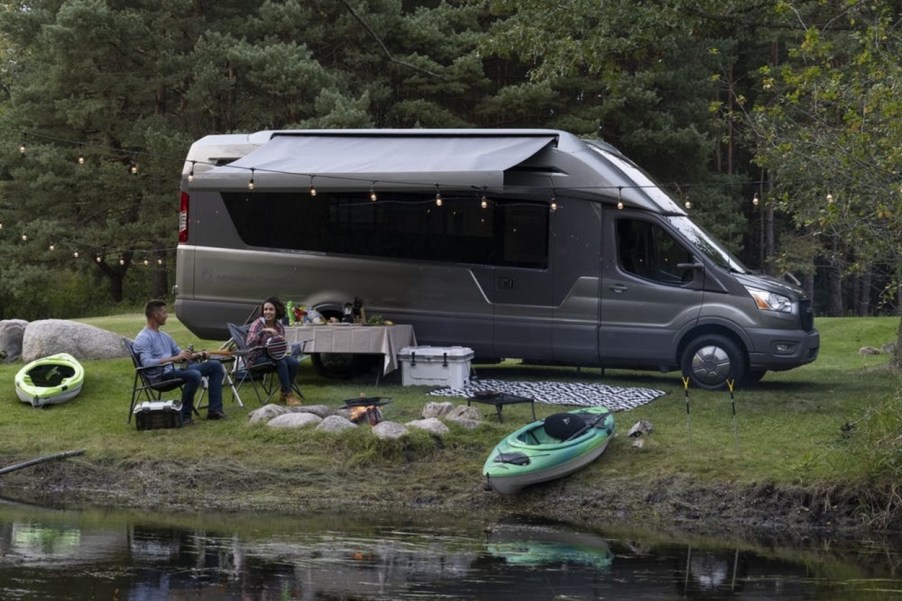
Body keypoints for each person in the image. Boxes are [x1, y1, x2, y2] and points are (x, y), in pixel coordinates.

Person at [134, 299, 226, 424]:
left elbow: (180, 354)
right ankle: (184, 416)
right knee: (194, 375)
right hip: (160, 377)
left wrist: (199, 354)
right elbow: (146, 363)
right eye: (164, 313)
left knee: (214, 365)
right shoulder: (143, 338)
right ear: (155, 315)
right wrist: (174, 359)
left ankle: (214, 411)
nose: (167, 316)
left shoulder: (165, 336)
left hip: (173, 370)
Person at [246, 297, 301, 405]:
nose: (268, 312)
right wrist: (262, 331)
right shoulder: (257, 324)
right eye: (265, 309)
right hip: (257, 358)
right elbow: (249, 343)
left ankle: (283, 392)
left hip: (274, 355)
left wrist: (279, 339)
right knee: (281, 363)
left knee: (294, 362)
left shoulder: (279, 326)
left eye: (271, 309)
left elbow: (280, 347)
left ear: (277, 311)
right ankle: (289, 395)